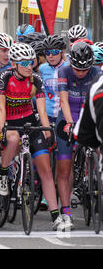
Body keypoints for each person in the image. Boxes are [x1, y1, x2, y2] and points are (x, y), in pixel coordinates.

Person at [0, 42, 61, 231]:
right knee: (13, 140)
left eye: (30, 62)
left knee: (46, 169)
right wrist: (1, 131)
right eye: (23, 63)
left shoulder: (36, 80)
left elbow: (41, 110)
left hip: (30, 122)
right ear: (14, 64)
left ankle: (55, 215)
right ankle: (2, 172)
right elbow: (0, 107)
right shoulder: (5, 76)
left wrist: (47, 130)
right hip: (10, 121)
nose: (28, 66)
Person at [55, 41, 101, 230]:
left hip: (88, 115)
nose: (81, 73)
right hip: (68, 117)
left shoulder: (97, 73)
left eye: (85, 70)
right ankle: (65, 213)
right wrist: (69, 123)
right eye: (77, 69)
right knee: (65, 169)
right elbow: (64, 101)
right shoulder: (64, 71)